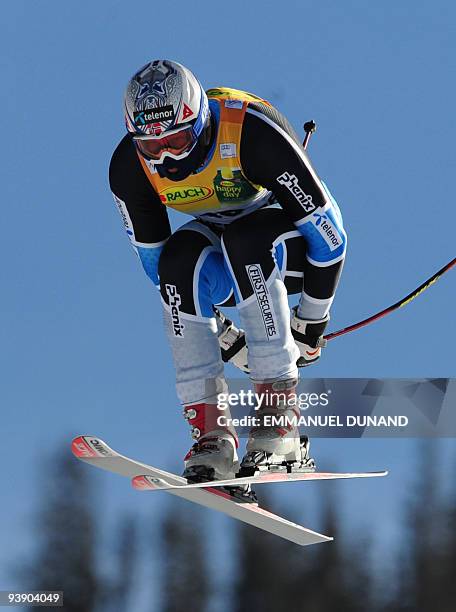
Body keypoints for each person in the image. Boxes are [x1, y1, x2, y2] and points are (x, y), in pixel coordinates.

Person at [109, 59, 347, 492]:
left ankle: (280, 419)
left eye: (178, 140)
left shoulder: (250, 134)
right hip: (219, 241)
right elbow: (157, 270)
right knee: (178, 262)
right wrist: (224, 336)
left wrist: (311, 322)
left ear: (198, 121)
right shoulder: (130, 168)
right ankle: (211, 434)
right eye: (151, 146)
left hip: (280, 243)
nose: (166, 157)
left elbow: (330, 238)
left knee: (246, 239)